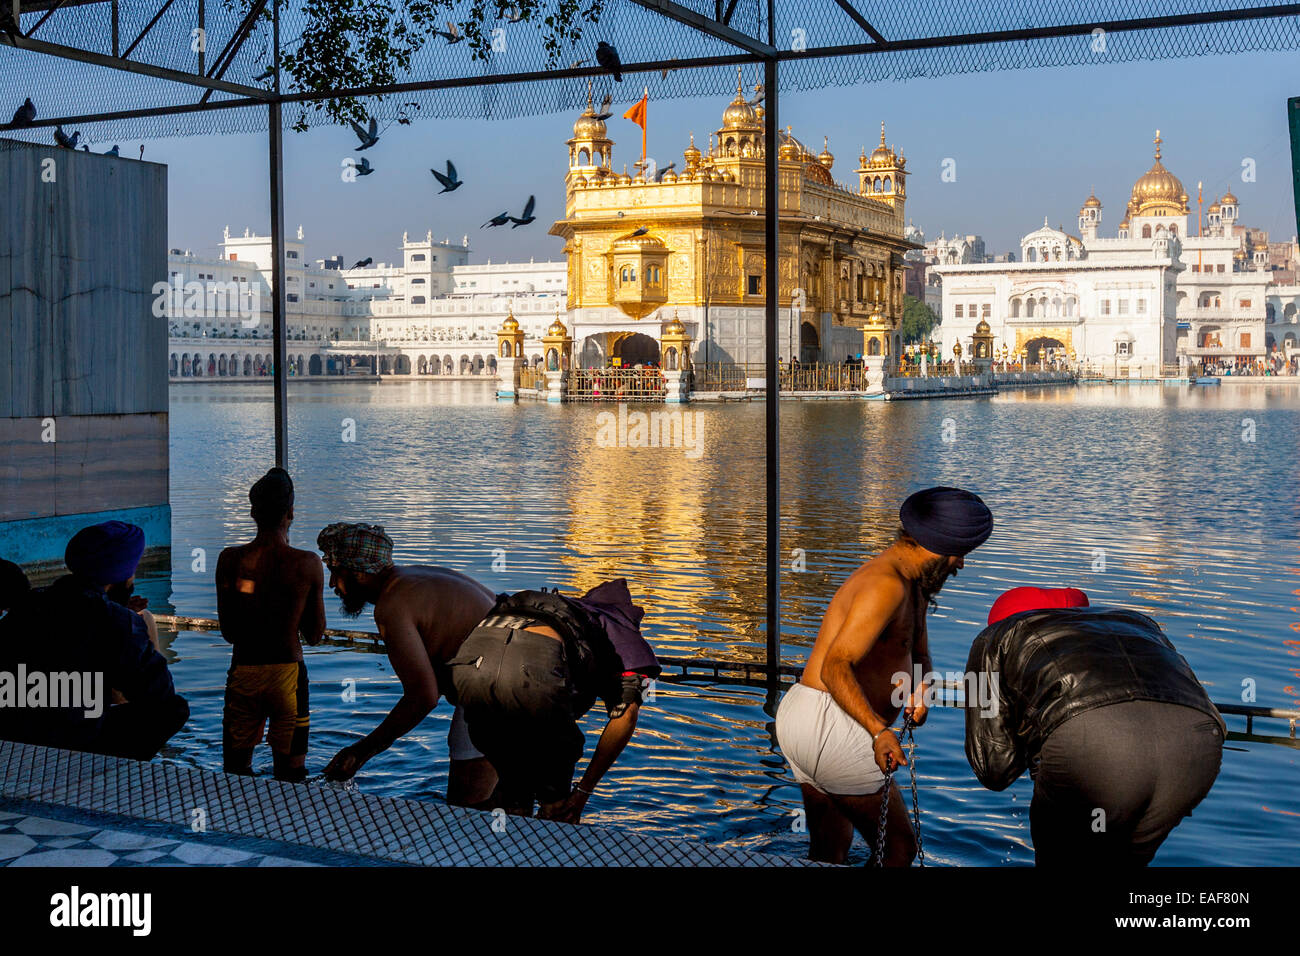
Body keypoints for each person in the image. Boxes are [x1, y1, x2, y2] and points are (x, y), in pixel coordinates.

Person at [775, 486, 994, 864]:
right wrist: (879, 731)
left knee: (829, 847)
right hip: (834, 721)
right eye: (958, 553)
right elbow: (835, 666)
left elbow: (920, 653)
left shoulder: (914, 585)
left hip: (812, 718)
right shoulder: (885, 586)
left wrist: (919, 690)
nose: (960, 564)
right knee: (899, 848)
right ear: (935, 544)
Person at [964, 586, 1225, 867]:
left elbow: (993, 767)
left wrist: (1026, 736)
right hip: (1197, 744)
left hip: (1093, 742)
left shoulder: (995, 638)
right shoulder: (1135, 622)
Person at [316, 522, 497, 805]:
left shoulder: (392, 604)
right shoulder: (416, 579)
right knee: (511, 810)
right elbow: (433, 684)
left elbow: (422, 697)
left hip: (496, 686)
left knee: (466, 816)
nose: (331, 585)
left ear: (359, 572)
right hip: (533, 676)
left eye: (336, 573)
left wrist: (361, 752)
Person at [449, 579, 660, 823]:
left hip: (470, 662)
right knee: (558, 807)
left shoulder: (568, 610)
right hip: (535, 666)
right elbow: (626, 714)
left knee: (514, 797)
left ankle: (478, 835)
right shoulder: (627, 638)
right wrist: (583, 791)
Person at [0, 521, 189, 760]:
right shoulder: (117, 622)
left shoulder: (28, 605)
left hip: (16, 733)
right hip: (77, 741)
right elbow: (159, 693)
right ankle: (114, 767)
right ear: (121, 573)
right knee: (173, 709)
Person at [216, 468, 325, 782]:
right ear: (291, 512)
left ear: (252, 512)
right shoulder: (306, 563)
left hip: (244, 672)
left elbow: (229, 633)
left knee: (235, 774)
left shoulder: (228, 559)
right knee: (291, 777)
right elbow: (315, 635)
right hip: (287, 675)